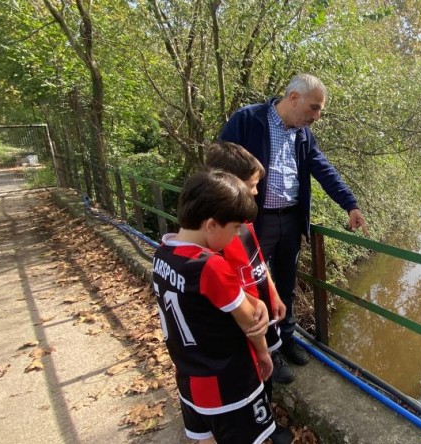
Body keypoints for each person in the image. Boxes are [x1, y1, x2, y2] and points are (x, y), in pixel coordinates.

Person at [220, 73, 369, 383]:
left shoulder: (302, 135)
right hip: (255, 221)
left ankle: (287, 339)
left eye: (319, 111)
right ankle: (267, 349)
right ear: (293, 98)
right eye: (314, 108)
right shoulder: (248, 119)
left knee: (285, 283)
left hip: (290, 219)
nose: (316, 117)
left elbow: (324, 170)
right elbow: (221, 165)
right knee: (257, 285)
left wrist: (350, 204)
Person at [151, 170, 275, 444]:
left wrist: (253, 300)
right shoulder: (210, 265)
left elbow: (202, 298)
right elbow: (250, 324)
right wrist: (264, 355)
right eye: (233, 229)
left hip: (189, 381)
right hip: (229, 385)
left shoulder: (163, 254)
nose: (235, 237)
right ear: (211, 225)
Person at [203, 142, 294, 444]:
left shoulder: (242, 221)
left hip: (262, 312)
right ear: (228, 184)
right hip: (246, 322)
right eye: (252, 185)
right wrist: (259, 345)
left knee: (264, 378)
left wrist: (275, 294)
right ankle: (262, 426)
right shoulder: (217, 235)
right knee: (254, 377)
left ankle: (266, 420)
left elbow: (258, 262)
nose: (256, 192)